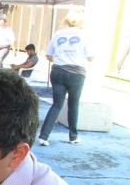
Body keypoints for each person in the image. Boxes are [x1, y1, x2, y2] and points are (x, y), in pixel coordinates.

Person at [38, 10, 94, 146]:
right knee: (73, 104)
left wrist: (60, 58)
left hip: (58, 71)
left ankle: (43, 136)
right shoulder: (84, 34)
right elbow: (90, 57)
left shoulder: (58, 34)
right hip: (76, 73)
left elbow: (48, 55)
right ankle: (73, 136)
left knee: (57, 104)